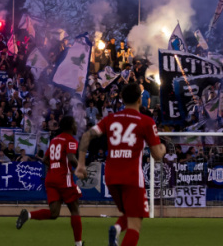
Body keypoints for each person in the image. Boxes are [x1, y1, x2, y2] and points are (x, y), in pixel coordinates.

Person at [76, 82, 165, 246]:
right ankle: (117, 230)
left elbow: (87, 136)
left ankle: (116, 229)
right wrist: (163, 148)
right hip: (132, 178)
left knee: (129, 213)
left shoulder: (110, 118)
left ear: (122, 99)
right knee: (135, 225)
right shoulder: (146, 121)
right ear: (140, 100)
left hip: (111, 177)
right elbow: (157, 155)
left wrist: (81, 164)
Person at [16, 115, 83, 246]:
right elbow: (71, 158)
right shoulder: (71, 140)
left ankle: (28, 215)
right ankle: (78, 244)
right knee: (75, 209)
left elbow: (46, 160)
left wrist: (56, 167)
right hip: (63, 179)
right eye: (75, 124)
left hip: (51, 178)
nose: (76, 126)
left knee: (54, 213)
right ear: (70, 126)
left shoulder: (54, 140)